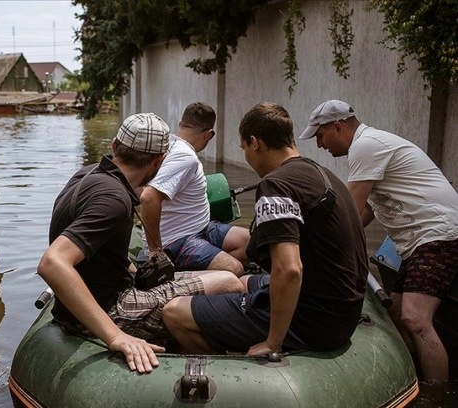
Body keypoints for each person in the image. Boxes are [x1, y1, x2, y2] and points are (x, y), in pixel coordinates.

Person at [38, 113, 244, 374]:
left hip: (105, 293)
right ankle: (213, 367)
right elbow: (52, 263)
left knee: (211, 276)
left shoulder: (86, 174)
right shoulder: (113, 199)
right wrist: (115, 337)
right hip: (112, 308)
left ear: (114, 145)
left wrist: (138, 272)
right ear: (159, 161)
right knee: (230, 282)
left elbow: (99, 251)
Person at [162, 102, 369, 356]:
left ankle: (228, 365)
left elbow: (290, 269)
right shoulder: (322, 174)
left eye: (244, 149)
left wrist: (273, 342)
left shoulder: (276, 186)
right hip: (340, 313)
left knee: (173, 312)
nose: (247, 157)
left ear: (255, 142)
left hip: (312, 322)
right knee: (243, 280)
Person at [299, 99, 458, 382]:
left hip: (437, 235)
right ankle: (410, 380)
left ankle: (436, 393)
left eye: (320, 136)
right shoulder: (370, 147)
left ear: (337, 127)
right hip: (419, 241)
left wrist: (315, 243)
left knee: (416, 320)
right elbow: (365, 212)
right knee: (396, 316)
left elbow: (345, 209)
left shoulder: (366, 146)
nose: (320, 145)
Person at [139, 102, 249, 276]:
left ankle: (201, 270)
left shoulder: (169, 145)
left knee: (249, 242)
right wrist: (156, 251)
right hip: (177, 241)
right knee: (234, 269)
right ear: (208, 135)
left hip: (201, 228)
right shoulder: (185, 157)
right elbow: (148, 197)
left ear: (181, 125)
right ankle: (178, 277)